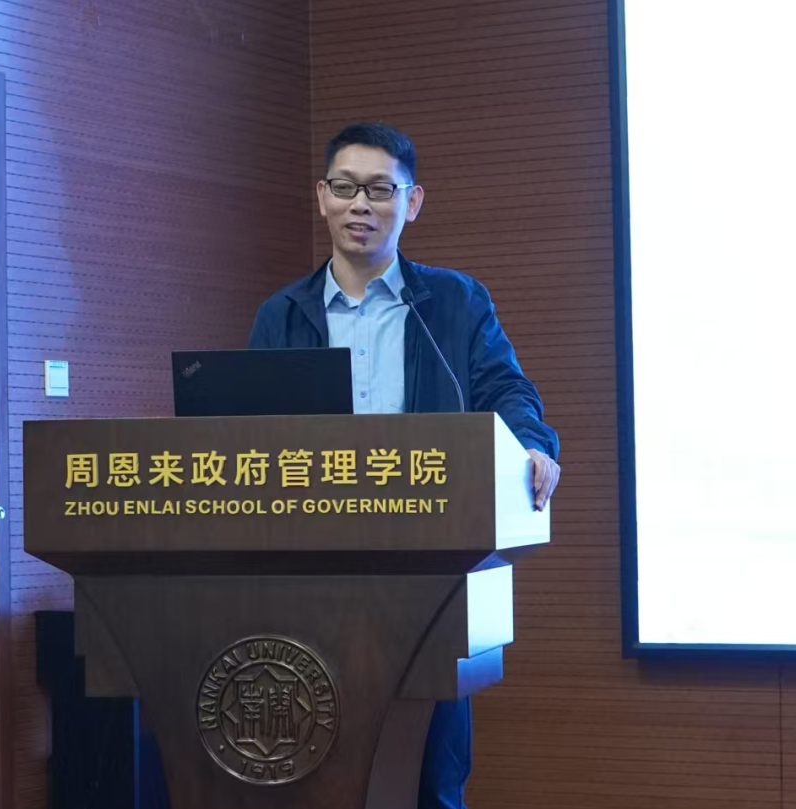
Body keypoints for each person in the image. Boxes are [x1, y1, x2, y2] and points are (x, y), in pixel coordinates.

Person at [247, 121, 560, 809]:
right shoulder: (283, 315)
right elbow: (248, 437)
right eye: (345, 187)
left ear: (411, 202)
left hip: (430, 570)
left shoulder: (455, 302)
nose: (360, 204)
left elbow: (507, 390)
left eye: (380, 190)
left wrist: (531, 444)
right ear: (322, 197)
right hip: (310, 579)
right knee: (312, 769)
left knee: (429, 779)